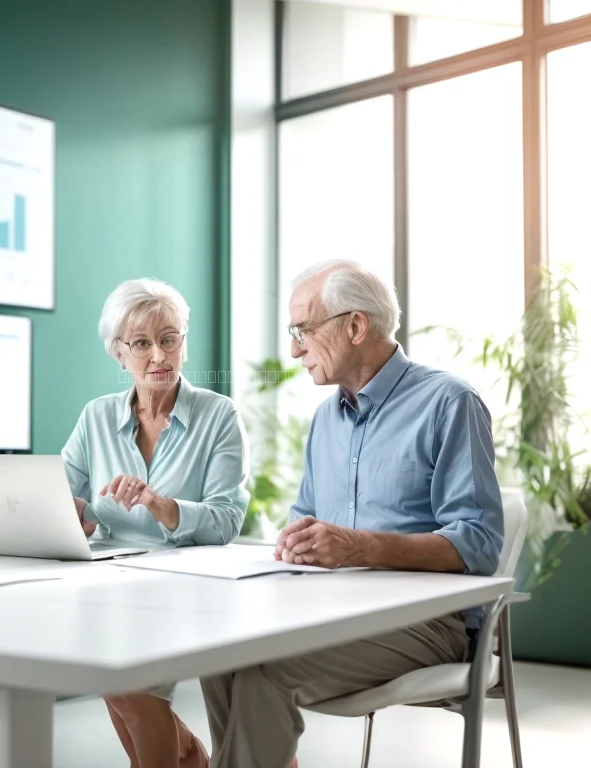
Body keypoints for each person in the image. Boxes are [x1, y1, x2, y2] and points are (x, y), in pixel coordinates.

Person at [200, 259, 505, 768]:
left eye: (302, 330)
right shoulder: (325, 419)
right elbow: (306, 520)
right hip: (331, 612)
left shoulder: (449, 402)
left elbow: (478, 543)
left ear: (355, 325)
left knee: (264, 674)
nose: (294, 348)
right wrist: (294, 543)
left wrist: (356, 547)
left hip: (426, 625)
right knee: (217, 654)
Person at [61, 277, 250, 768]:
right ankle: (185, 753)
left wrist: (163, 506)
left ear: (184, 342)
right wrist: (74, 513)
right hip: (106, 581)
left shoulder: (219, 415)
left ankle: (183, 755)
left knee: (128, 690)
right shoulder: (96, 417)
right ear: (119, 354)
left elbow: (228, 520)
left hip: (185, 583)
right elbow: (63, 496)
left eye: (169, 339)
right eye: (142, 344)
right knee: (115, 686)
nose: (158, 356)